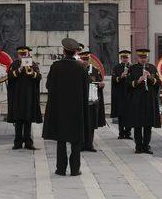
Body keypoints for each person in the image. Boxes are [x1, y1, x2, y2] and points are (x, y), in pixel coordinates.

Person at [42, 38, 89, 176]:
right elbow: (85, 89)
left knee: (61, 139)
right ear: (75, 52)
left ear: (63, 51)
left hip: (60, 109)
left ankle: (60, 169)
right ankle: (75, 169)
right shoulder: (81, 67)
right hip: (76, 109)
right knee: (76, 140)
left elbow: (48, 86)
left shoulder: (56, 66)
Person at [7, 46, 43, 150]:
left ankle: (28, 142)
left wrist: (31, 72)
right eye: (21, 54)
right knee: (18, 120)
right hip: (17, 96)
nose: (23, 56)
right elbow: (9, 76)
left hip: (29, 96)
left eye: (25, 54)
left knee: (28, 120)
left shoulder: (33, 64)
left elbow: (39, 77)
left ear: (28, 54)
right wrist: (20, 69)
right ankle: (17, 142)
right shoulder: (14, 64)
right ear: (18, 55)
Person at [126, 48, 161, 154]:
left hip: (149, 99)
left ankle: (146, 146)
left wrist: (150, 77)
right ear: (138, 57)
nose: (143, 59)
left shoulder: (152, 68)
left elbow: (158, 83)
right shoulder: (133, 68)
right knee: (137, 124)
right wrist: (138, 80)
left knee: (148, 125)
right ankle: (138, 146)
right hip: (137, 99)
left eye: (145, 57)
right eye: (141, 57)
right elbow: (128, 84)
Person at [79, 49, 106, 152]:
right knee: (82, 123)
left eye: (86, 59)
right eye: (83, 59)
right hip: (81, 100)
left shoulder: (95, 70)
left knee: (91, 123)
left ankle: (89, 144)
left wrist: (101, 85)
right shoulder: (77, 69)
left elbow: (99, 82)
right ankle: (81, 144)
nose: (85, 61)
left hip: (92, 100)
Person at [110, 50, 132, 139]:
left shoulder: (132, 67)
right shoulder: (116, 67)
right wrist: (121, 76)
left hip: (129, 93)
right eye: (123, 57)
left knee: (129, 114)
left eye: (126, 57)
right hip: (120, 94)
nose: (125, 59)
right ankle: (121, 133)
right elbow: (114, 80)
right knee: (121, 114)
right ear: (120, 58)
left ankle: (128, 132)